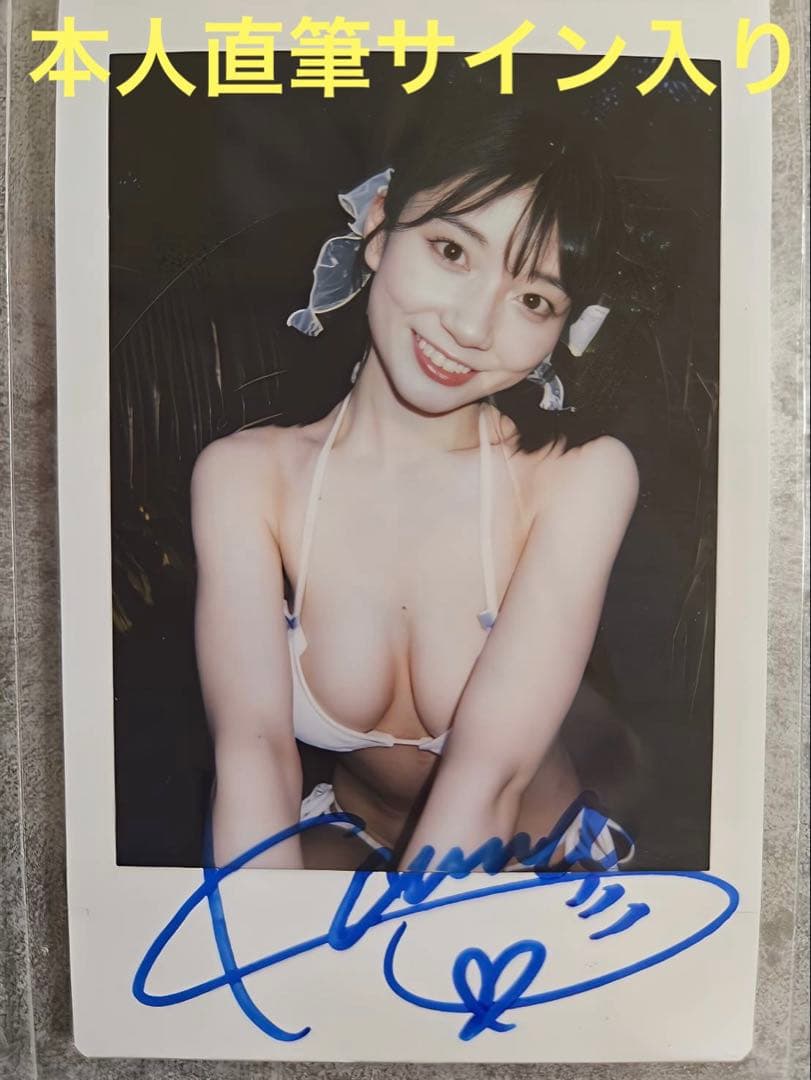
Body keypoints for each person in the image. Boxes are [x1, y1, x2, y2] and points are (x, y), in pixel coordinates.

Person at [190, 93, 641, 872]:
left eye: (533, 299)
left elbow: (489, 777)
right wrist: (260, 941)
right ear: (377, 228)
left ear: (560, 330)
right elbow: (253, 753)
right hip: (351, 833)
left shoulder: (575, 477)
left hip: (530, 855)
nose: (470, 327)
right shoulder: (245, 478)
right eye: (451, 251)